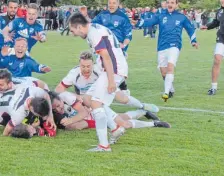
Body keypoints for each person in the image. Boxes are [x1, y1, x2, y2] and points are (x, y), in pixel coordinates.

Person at [69, 13, 132, 152]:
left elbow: (107, 57)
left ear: (79, 27)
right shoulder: (94, 29)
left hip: (114, 70)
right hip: (110, 69)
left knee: (96, 103)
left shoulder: (93, 34)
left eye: (73, 31)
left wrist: (111, 81)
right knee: (87, 98)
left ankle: (104, 146)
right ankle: (115, 128)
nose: (73, 34)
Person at [54, 51, 159, 114]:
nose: (85, 69)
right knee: (94, 108)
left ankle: (142, 106)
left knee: (123, 98)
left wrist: (122, 89)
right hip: (85, 98)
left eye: (88, 66)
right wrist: (76, 96)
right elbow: (58, 89)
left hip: (103, 89)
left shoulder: (99, 70)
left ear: (93, 64)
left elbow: (116, 77)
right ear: (79, 64)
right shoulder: (74, 73)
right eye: (83, 66)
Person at [139, 0, 198, 101]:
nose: (170, 4)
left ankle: (166, 92)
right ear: (166, 4)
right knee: (163, 71)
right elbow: (149, 22)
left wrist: (193, 41)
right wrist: (137, 23)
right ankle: (171, 88)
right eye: (168, 2)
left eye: (172, 2)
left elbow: (190, 29)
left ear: (176, 5)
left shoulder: (181, 17)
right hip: (162, 46)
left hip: (174, 45)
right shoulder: (160, 15)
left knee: (170, 67)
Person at [49, 91, 169, 131]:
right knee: (122, 119)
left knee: (122, 122)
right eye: (55, 109)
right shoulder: (54, 108)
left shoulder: (66, 97)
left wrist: (70, 120)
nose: (59, 110)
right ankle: (143, 112)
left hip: (96, 108)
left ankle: (152, 122)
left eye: (59, 106)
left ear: (60, 99)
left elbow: (83, 112)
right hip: (92, 112)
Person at [92, 0, 133, 91]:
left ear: (118, 4)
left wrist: (124, 44)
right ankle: (106, 87)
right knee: (102, 68)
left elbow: (128, 34)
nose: (111, 5)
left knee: (116, 71)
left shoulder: (123, 17)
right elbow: (92, 25)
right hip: (104, 46)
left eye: (114, 3)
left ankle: (121, 87)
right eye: (109, 2)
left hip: (118, 48)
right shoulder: (102, 15)